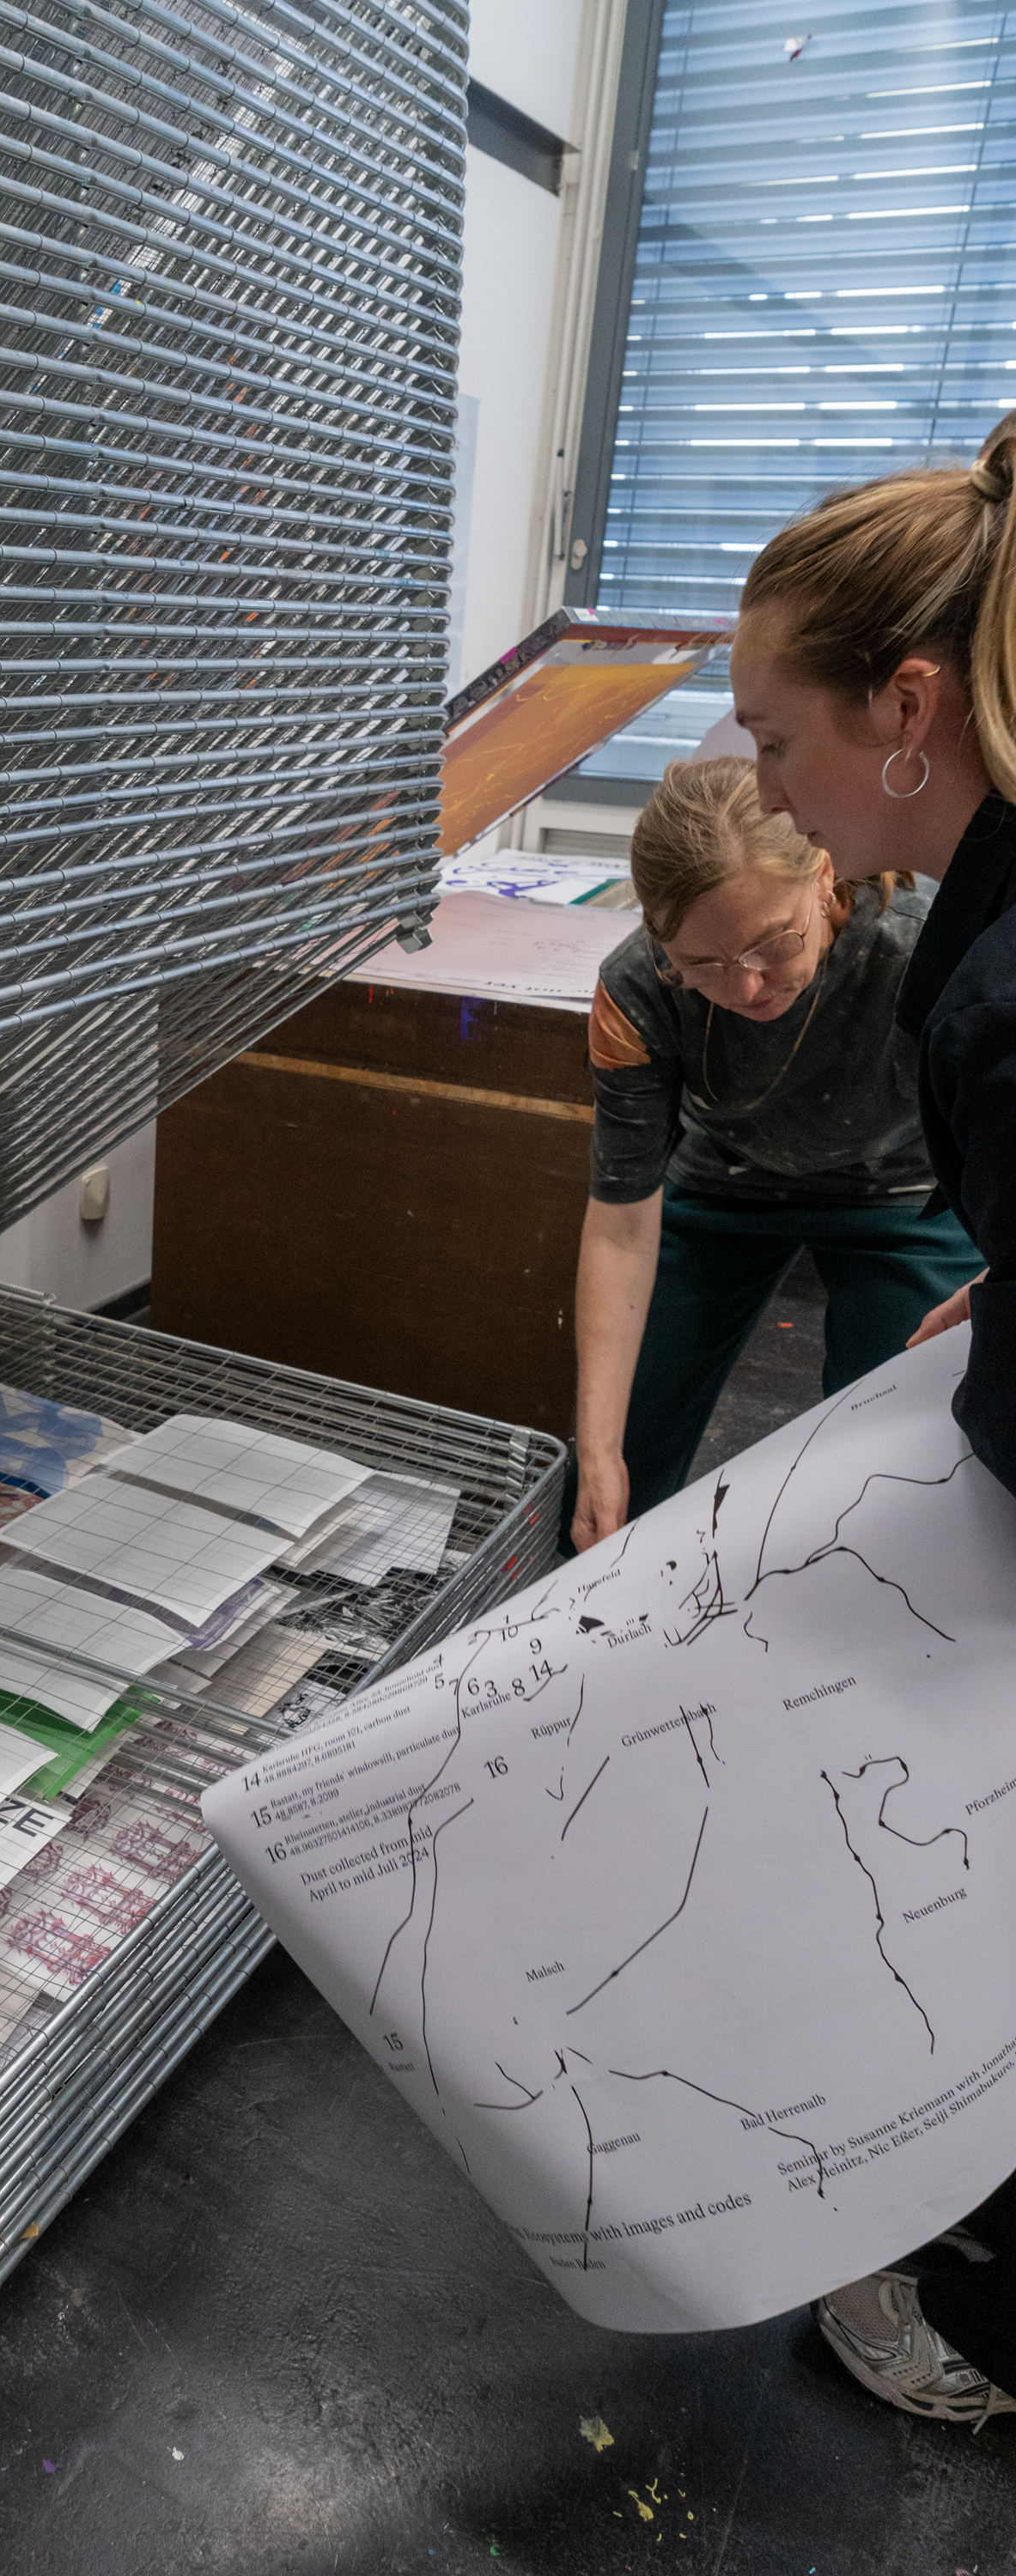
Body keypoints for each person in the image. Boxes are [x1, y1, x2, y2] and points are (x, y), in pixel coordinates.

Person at [728, 411, 1016, 2428]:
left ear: (904, 709)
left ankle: (975, 2316)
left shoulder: (991, 989)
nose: (763, 787)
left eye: (775, 738)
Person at [569, 756, 979, 1556]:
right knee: (617, 1461)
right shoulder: (637, 986)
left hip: (905, 1192)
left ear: (823, 877)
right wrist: (599, 1451)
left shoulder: (929, 945)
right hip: (725, 1181)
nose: (748, 988)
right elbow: (621, 1223)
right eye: (704, 966)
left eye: (773, 945)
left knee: (891, 1462)